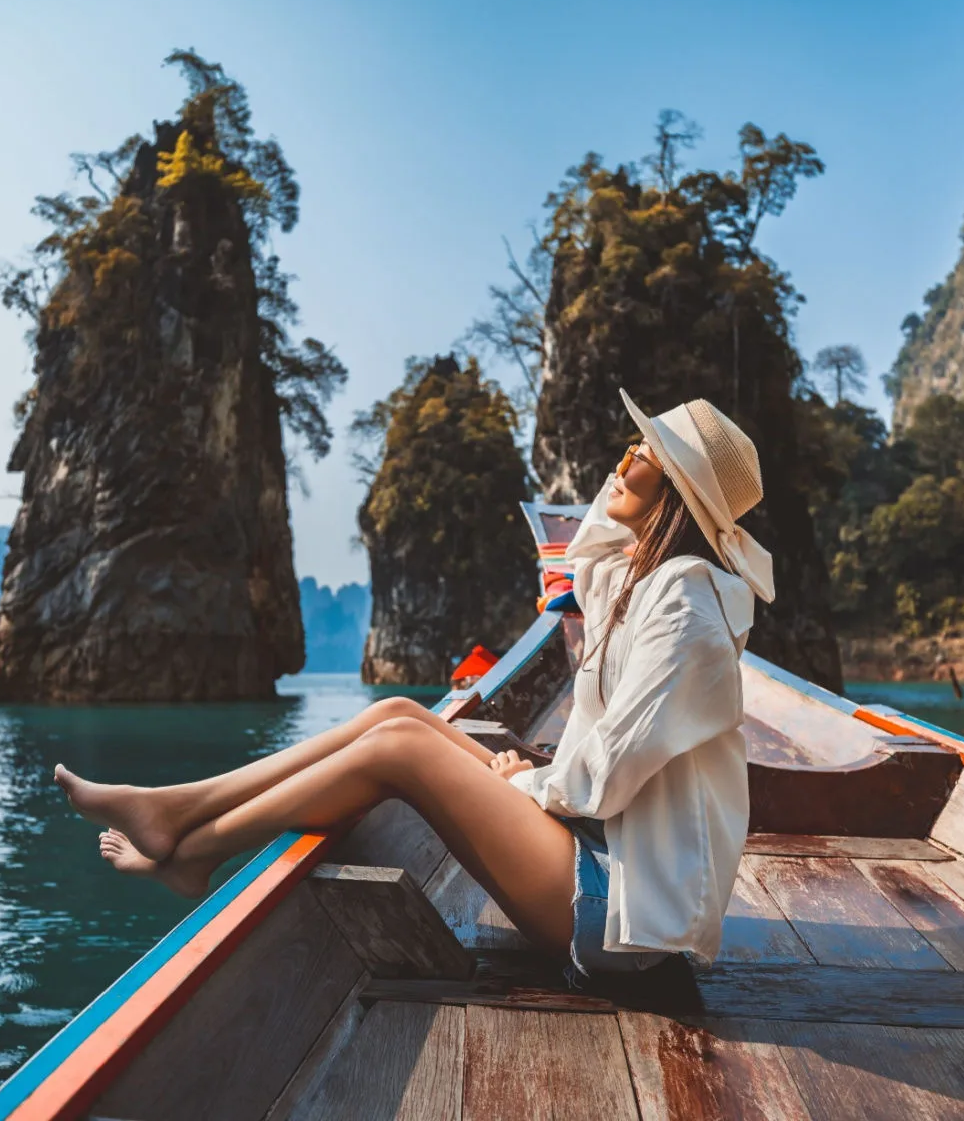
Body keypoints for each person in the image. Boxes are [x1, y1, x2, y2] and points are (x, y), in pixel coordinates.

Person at [54, 389, 774, 983]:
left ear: (677, 493)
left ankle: (199, 848)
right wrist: (531, 776)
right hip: (596, 851)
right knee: (399, 709)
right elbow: (584, 550)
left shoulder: (686, 603)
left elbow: (613, 773)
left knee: (399, 748)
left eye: (640, 457)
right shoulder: (641, 579)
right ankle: (176, 813)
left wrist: (522, 784)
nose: (617, 464)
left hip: (621, 917)